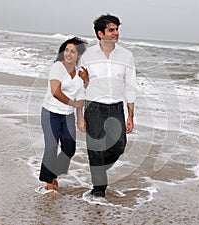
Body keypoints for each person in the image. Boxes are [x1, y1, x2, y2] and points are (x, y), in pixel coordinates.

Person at [78, 14, 136, 199]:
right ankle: (99, 189)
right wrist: (79, 115)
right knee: (95, 149)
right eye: (111, 30)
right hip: (94, 106)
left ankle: (99, 167)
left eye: (117, 29)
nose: (116, 33)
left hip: (116, 107)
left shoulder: (126, 56)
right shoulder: (87, 55)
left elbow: (130, 85)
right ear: (100, 34)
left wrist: (130, 115)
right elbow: (80, 85)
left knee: (118, 146)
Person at [37, 37, 88, 194]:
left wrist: (80, 118)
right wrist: (73, 104)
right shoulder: (57, 67)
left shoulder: (80, 73)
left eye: (72, 51)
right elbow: (55, 92)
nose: (68, 54)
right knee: (51, 147)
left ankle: (51, 173)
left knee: (69, 149)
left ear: (79, 55)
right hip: (50, 113)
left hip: (67, 116)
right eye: (66, 50)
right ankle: (49, 183)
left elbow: (80, 96)